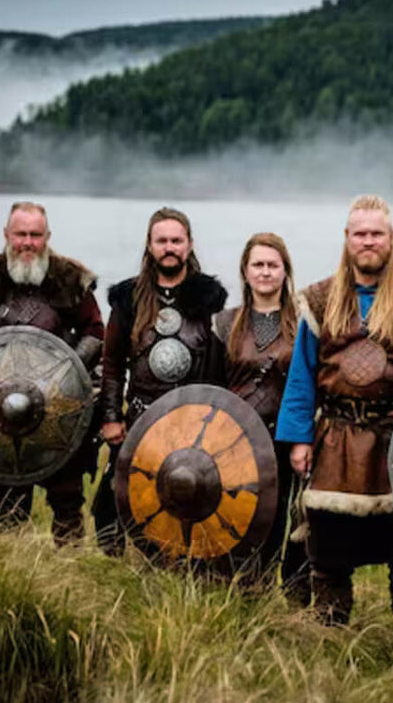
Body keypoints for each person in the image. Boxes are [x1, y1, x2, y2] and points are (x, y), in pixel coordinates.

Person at [275, 195, 393, 626]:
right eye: (360, 233)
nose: (368, 241)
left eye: (377, 233)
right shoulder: (319, 300)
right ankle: (330, 623)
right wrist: (299, 438)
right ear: (347, 239)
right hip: (335, 435)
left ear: (392, 239)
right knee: (329, 540)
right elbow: (302, 374)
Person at [0, 201, 104, 545]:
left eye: (35, 235)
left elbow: (95, 333)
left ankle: (70, 567)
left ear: (47, 237)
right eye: (21, 234)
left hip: (60, 408)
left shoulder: (70, 280)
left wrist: (65, 375)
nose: (28, 242)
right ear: (6, 235)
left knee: (66, 498)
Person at [93, 207, 228, 556]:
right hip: (140, 416)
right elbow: (112, 364)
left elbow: (216, 367)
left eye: (176, 241)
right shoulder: (128, 299)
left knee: (186, 493)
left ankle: (179, 561)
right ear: (150, 246)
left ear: (189, 245)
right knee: (117, 499)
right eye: (162, 240)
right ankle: (113, 568)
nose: (169, 247)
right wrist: (111, 416)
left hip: (191, 420)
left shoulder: (209, 298)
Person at [213, 232, 309, 604]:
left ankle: (292, 597)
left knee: (288, 521)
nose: (265, 272)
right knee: (238, 518)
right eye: (258, 264)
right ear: (245, 271)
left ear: (285, 272)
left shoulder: (304, 322)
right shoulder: (224, 323)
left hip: (288, 440)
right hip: (235, 443)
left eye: (273, 265)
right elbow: (212, 387)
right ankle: (242, 593)